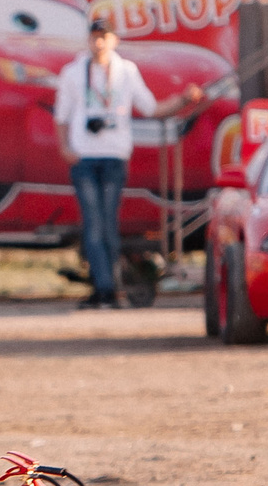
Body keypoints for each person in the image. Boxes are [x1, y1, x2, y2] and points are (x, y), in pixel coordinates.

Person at [53, 17, 203, 309]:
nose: (98, 42)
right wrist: (65, 148)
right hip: (85, 157)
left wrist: (183, 99)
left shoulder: (125, 72)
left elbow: (151, 108)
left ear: (114, 40)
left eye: (104, 37)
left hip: (114, 156)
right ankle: (105, 289)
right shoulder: (73, 73)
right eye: (94, 36)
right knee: (93, 225)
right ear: (88, 39)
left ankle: (112, 289)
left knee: (108, 223)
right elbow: (61, 116)